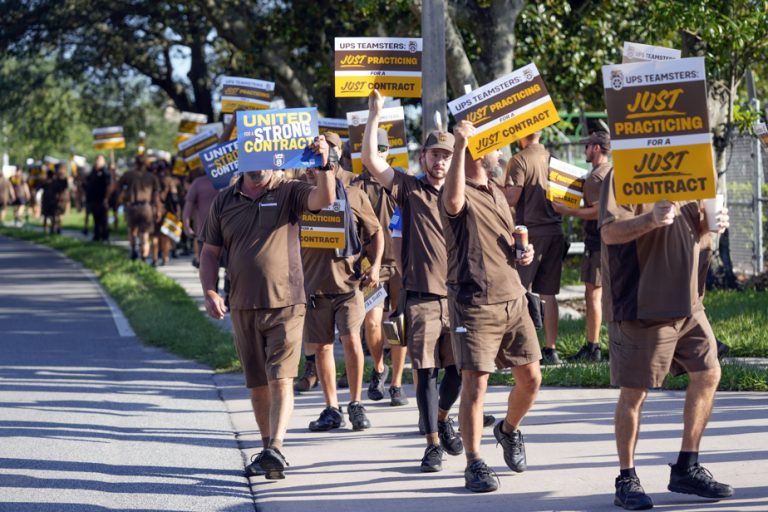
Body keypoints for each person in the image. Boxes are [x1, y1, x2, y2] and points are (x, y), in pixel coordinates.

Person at [199, 135, 335, 480]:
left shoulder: (289, 190)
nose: (256, 162)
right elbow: (210, 252)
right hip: (242, 305)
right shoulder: (223, 200)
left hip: (287, 303)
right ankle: (266, 450)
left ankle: (276, 446)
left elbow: (324, 198)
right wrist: (210, 291)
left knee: (281, 378)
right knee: (257, 382)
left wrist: (324, 164)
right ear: (240, 158)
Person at [599, 170, 734, 509]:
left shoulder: (692, 170)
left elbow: (697, 227)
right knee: (635, 391)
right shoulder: (624, 172)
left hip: (689, 303)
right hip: (642, 304)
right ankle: (626, 478)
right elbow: (610, 233)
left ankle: (687, 467)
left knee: (708, 373)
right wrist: (651, 218)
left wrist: (712, 222)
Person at [361, 90, 466, 471]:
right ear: (424, 157)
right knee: (425, 371)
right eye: (435, 155)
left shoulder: (464, 195)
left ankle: (441, 417)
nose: (440, 161)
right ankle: (433, 443)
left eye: (447, 156)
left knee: (458, 371)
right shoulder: (409, 189)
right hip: (421, 297)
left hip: (458, 297)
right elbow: (372, 161)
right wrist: (375, 114)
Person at [440, 120, 540, 493]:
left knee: (531, 380)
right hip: (475, 303)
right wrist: (461, 144)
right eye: (496, 147)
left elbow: (506, 242)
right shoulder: (457, 191)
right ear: (481, 152)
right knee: (475, 387)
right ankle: (474, 462)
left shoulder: (496, 190)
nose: (503, 153)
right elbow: (451, 202)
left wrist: (523, 253)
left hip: (514, 298)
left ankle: (508, 430)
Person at [302, 153, 383, 433]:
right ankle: (331, 408)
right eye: (309, 168)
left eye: (319, 167)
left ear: (333, 168)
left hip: (349, 286)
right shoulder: (299, 197)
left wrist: (376, 266)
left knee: (351, 341)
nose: (312, 172)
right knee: (322, 347)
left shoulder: (354, 195)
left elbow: (376, 232)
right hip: (314, 289)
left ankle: (356, 403)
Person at [352, 130, 409, 407]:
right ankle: (379, 368)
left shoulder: (399, 182)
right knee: (373, 323)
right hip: (369, 265)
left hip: (399, 263)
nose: (380, 153)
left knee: (397, 324)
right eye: (375, 148)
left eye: (383, 148)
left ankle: (397, 383)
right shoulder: (355, 185)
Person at [504, 131, 565, 364]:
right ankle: (551, 349)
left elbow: (511, 198)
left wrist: (495, 187)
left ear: (520, 135)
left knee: (518, 289)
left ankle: (522, 349)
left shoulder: (519, 160)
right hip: (555, 231)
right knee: (549, 293)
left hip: (530, 233)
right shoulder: (553, 159)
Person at [552, 131, 612, 362]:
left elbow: (598, 210)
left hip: (597, 243)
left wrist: (569, 211)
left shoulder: (595, 178)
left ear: (596, 148)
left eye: (586, 145)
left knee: (592, 295)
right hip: (612, 241)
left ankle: (593, 347)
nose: (584, 150)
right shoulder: (611, 171)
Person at [119, 157, 160, 262]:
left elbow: (118, 187)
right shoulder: (152, 177)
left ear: (135, 163)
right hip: (146, 208)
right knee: (145, 233)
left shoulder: (128, 175)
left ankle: (133, 249)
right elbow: (156, 196)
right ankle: (144, 257)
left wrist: (124, 198)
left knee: (132, 230)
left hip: (132, 206)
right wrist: (157, 209)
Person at [182, 169, 219, 268]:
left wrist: (186, 226)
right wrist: (186, 225)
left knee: (209, 267)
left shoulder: (198, 183)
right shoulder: (199, 183)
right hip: (208, 232)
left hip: (216, 232)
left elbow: (188, 206)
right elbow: (188, 205)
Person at [85, 155, 112, 242]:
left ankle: (105, 236)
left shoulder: (105, 172)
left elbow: (109, 186)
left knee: (103, 219)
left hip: (102, 199)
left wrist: (106, 198)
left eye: (100, 160)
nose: (97, 162)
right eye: (97, 160)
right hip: (93, 199)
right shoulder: (93, 171)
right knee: (95, 218)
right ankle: (97, 235)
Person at [41, 164, 70, 235]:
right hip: (54, 200)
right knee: (54, 215)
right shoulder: (54, 179)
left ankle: (57, 228)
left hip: (61, 200)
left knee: (58, 215)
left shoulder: (63, 179)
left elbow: (65, 187)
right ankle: (54, 228)